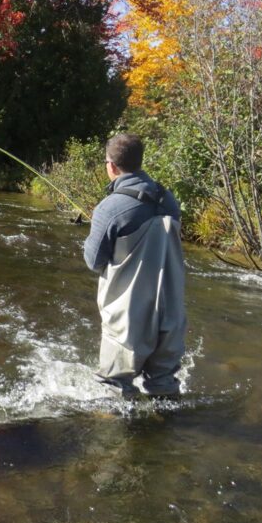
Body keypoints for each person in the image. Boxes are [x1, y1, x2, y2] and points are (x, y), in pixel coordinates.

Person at [82, 133, 186, 399]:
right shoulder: (168, 199)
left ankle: (119, 441)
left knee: (114, 390)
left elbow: (94, 262)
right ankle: (167, 436)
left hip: (127, 320)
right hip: (171, 314)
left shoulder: (110, 207)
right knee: (164, 388)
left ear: (112, 166)